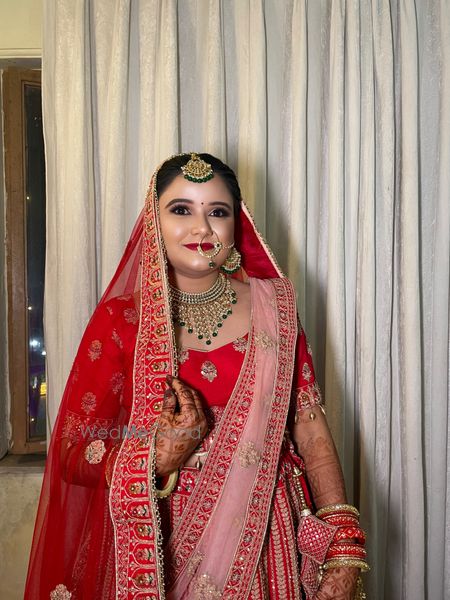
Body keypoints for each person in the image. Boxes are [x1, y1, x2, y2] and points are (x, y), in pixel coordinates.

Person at [25, 153, 368, 599]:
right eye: (181, 209)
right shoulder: (121, 321)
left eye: (217, 212)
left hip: (264, 534)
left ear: (235, 227)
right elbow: (72, 450)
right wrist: (155, 459)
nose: (202, 228)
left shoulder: (276, 309)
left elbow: (309, 425)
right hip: (159, 538)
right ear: (154, 223)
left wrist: (343, 549)